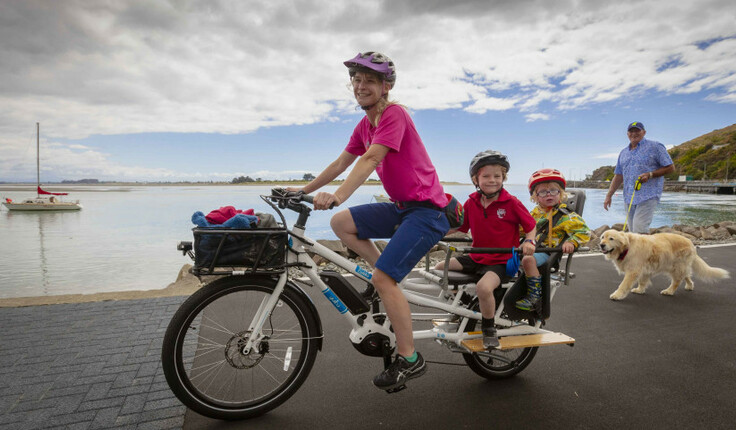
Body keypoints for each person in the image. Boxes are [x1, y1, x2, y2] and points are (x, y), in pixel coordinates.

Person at [292, 51, 451, 391]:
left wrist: (339, 194)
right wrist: (301, 191)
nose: (360, 86)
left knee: (383, 277)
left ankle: (409, 358)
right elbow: (340, 163)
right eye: (356, 79)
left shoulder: (395, 114)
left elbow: (372, 157)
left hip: (428, 212)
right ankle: (386, 278)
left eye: (369, 80)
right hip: (402, 208)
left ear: (386, 86)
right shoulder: (364, 124)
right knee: (341, 224)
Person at [434, 150, 536, 349]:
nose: (492, 180)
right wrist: (435, 232)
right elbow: (461, 228)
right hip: (476, 256)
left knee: (483, 287)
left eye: (497, 176)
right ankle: (465, 302)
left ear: (503, 178)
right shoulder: (471, 202)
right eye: (486, 176)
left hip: (501, 261)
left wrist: (529, 243)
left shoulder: (511, 202)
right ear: (476, 179)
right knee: (439, 267)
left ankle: (489, 329)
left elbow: (531, 226)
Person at [517, 168, 591, 310]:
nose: (549, 194)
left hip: (548, 252)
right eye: (543, 192)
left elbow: (584, 232)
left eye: (553, 190)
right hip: (533, 248)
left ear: (561, 193)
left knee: (527, 259)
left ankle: (534, 296)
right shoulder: (535, 213)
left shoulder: (566, 216)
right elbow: (523, 229)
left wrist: (571, 241)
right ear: (535, 196)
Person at [604, 122, 675, 233]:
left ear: (644, 132)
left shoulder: (655, 146)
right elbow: (618, 175)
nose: (634, 133)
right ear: (627, 134)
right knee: (632, 232)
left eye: (637, 131)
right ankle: (640, 250)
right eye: (631, 131)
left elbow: (670, 167)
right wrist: (609, 195)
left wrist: (650, 174)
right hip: (628, 197)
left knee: (639, 229)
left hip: (648, 195)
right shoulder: (623, 153)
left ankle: (644, 250)